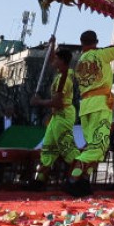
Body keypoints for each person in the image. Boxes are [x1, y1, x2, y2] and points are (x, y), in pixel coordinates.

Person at [62, 22, 114, 197]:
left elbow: (96, 83)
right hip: (100, 105)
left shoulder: (79, 62)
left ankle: (83, 181)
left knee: (91, 146)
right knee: (99, 146)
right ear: (96, 41)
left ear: (82, 43)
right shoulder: (101, 54)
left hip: (86, 106)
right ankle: (74, 176)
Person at [30, 48, 77, 189]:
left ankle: (78, 180)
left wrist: (38, 102)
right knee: (48, 149)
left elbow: (57, 102)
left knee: (67, 148)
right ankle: (39, 181)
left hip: (63, 115)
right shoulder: (63, 73)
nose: (53, 61)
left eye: (56, 59)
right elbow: (51, 61)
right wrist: (52, 45)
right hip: (57, 115)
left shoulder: (63, 79)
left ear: (61, 61)